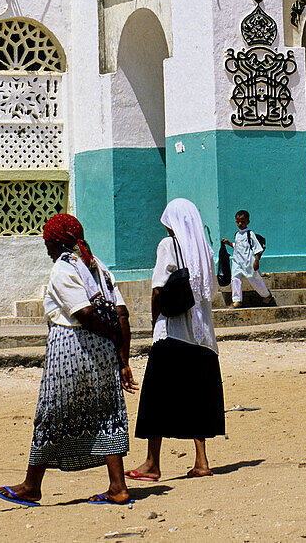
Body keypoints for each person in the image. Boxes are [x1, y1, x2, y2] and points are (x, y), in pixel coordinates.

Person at [0, 213, 138, 508]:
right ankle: (118, 487)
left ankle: (32, 486)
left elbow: (84, 314)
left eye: (46, 241)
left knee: (52, 412)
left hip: (71, 350)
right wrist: (122, 358)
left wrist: (107, 335)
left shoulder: (62, 269)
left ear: (56, 242)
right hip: (104, 353)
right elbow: (121, 314)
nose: (45, 247)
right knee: (107, 413)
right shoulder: (98, 267)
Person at [128, 198, 225, 481]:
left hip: (172, 332)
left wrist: (153, 319)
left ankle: (152, 462)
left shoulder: (167, 246)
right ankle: (202, 460)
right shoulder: (204, 251)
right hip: (203, 337)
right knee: (197, 395)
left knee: (157, 396)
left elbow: (158, 289)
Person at [222, 210, 273, 308]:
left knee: (254, 279)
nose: (240, 224)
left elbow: (257, 248)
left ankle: (267, 295)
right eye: (238, 222)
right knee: (235, 279)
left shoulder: (250, 234)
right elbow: (238, 246)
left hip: (248, 262)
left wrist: (256, 261)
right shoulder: (237, 234)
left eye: (242, 221)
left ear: (247, 222)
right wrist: (229, 243)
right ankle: (237, 300)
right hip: (237, 262)